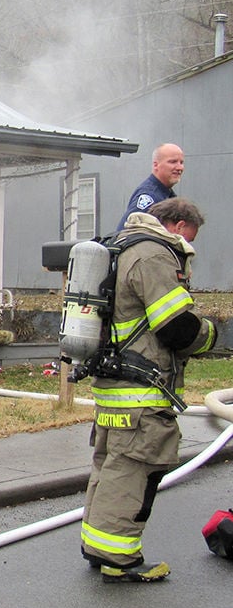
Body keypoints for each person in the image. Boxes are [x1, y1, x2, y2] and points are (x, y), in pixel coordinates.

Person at [82, 198, 216, 582]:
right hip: (141, 388)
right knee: (135, 471)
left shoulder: (120, 247)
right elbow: (176, 328)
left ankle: (97, 546)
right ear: (174, 225)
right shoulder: (154, 255)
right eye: (187, 241)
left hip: (114, 385)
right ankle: (119, 559)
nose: (186, 252)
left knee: (110, 466)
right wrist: (212, 335)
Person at [116, 143, 184, 230]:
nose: (179, 167)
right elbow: (129, 233)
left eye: (181, 162)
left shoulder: (166, 194)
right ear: (156, 165)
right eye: (173, 162)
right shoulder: (150, 196)